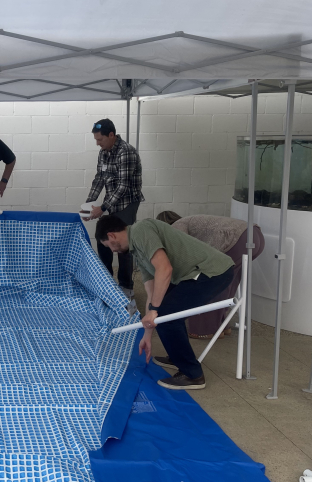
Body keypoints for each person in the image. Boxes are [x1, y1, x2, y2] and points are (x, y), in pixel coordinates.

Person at [96, 216, 234, 390]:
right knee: (162, 312)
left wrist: (155, 311)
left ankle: (193, 375)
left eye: (108, 245)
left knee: (166, 315)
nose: (113, 251)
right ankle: (177, 355)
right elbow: (152, 294)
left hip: (211, 271)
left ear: (112, 235)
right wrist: (147, 334)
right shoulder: (137, 251)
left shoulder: (140, 230)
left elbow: (165, 268)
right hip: (192, 275)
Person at [156, 211, 265, 339]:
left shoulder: (175, 227)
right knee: (228, 284)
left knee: (209, 283)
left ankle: (205, 329)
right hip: (255, 235)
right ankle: (222, 326)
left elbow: (183, 257)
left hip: (237, 239)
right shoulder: (191, 221)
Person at [85, 119, 144, 299]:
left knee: (123, 244)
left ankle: (126, 287)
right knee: (103, 239)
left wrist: (102, 208)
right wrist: (89, 204)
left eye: (100, 140)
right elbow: (99, 178)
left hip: (127, 203)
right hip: (111, 201)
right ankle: (107, 282)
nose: (98, 144)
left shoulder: (126, 152)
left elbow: (123, 186)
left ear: (112, 135)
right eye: (96, 140)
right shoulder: (104, 152)